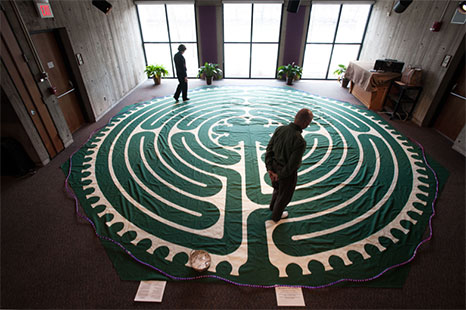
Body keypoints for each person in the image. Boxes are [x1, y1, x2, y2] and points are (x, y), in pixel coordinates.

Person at [265, 108, 313, 222]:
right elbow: (292, 165)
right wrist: (280, 175)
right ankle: (276, 216)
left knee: (276, 189)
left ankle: (272, 206)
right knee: (284, 196)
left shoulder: (280, 129)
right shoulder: (300, 141)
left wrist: (270, 169)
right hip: (285, 173)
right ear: (306, 124)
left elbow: (269, 149)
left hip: (274, 166)